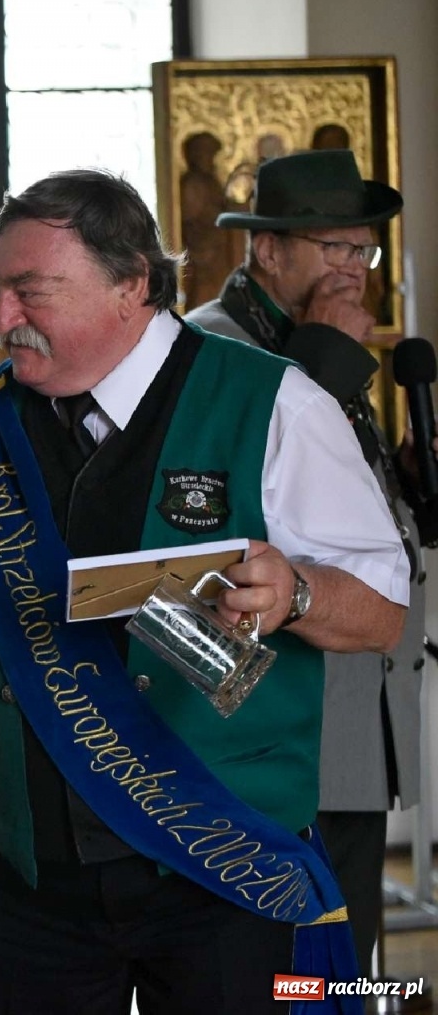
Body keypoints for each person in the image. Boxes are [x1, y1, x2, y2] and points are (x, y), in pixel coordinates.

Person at [0, 169, 409, 1014]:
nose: (1, 317)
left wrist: (298, 593)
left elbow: (382, 608)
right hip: (38, 882)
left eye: (30, 292)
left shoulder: (274, 404)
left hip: (224, 870)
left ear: (133, 285)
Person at [186, 148, 426, 975]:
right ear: (267, 250)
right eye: (333, 248)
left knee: (348, 945)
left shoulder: (318, 339)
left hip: (355, 689)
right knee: (290, 952)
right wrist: (328, 354)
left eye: (363, 250)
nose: (353, 269)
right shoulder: (211, 345)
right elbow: (232, 502)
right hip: (279, 706)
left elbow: (343, 512)